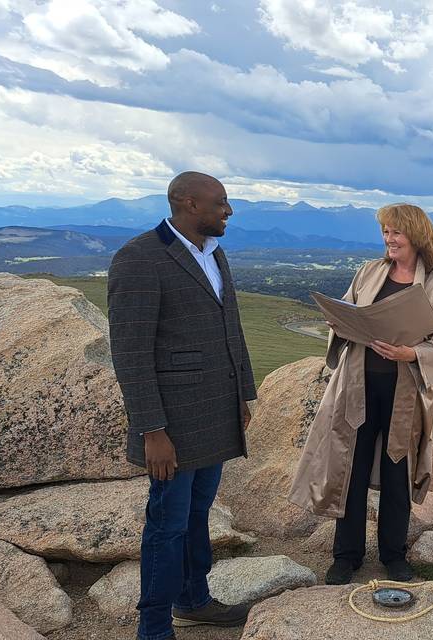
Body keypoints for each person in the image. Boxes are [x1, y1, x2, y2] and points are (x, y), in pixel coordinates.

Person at [108, 171, 257, 640]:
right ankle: (153, 627)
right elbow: (131, 353)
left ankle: (194, 600)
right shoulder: (138, 258)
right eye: (221, 203)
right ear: (189, 204)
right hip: (171, 425)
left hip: (214, 413)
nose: (228, 211)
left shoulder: (214, 253)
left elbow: (229, 327)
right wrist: (152, 429)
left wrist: (242, 395)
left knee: (197, 515)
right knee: (166, 525)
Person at [288, 203, 433, 585]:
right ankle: (346, 556)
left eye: (395, 232)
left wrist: (411, 353)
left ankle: (393, 555)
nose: (388, 239)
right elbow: (348, 311)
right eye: (385, 232)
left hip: (404, 390)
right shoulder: (368, 272)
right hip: (359, 384)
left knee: (397, 470)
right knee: (350, 465)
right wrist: (339, 320)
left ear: (416, 236)